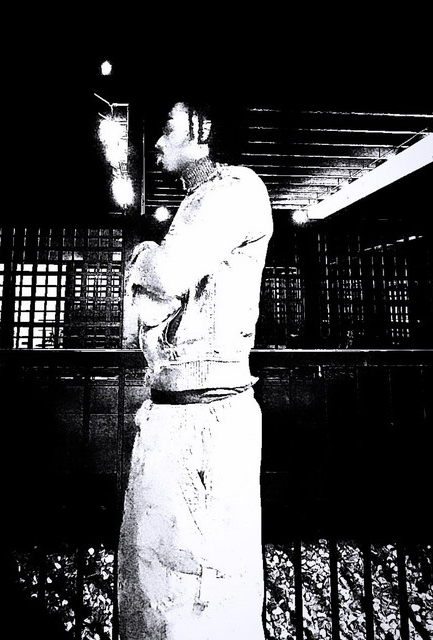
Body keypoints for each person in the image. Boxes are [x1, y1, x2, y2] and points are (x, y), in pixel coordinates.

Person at [117, 96, 273, 639]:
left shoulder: (235, 190)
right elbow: (152, 310)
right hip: (181, 415)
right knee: (163, 589)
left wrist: (142, 255)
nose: (159, 141)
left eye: (168, 126)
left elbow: (166, 275)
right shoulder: (203, 200)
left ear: (203, 127)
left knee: (198, 592)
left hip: (204, 424)